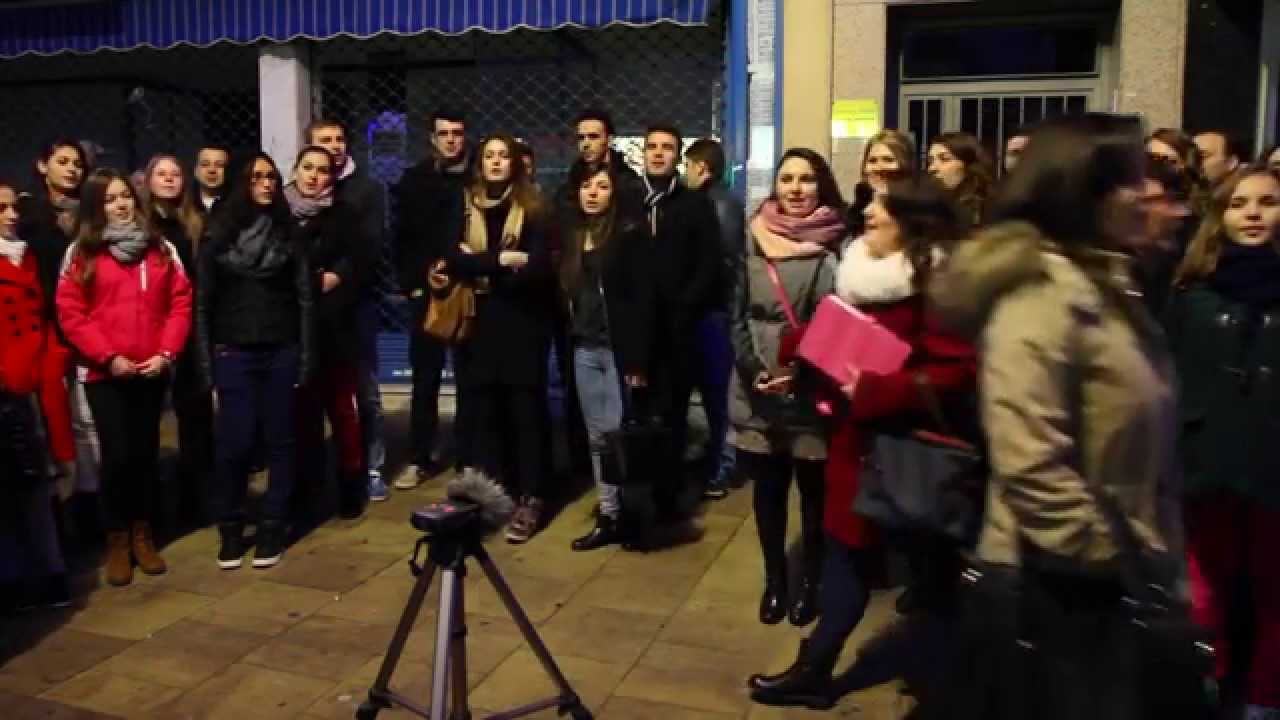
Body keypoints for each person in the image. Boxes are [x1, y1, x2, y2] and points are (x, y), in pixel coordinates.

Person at [927, 114, 1183, 720]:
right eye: (1134, 179)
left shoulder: (1108, 284)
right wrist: (1118, 562)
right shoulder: (1042, 296)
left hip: (1103, 575)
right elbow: (1032, 462)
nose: (1151, 194)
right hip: (1057, 585)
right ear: (1083, 191)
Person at [749, 176, 976, 709]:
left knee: (929, 571)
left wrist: (877, 390)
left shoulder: (940, 287)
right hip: (855, 448)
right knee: (845, 558)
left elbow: (958, 371)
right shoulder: (864, 270)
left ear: (912, 224)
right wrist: (800, 360)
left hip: (906, 455)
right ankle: (817, 668)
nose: (868, 212)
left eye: (881, 205)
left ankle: (953, 681)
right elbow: (844, 330)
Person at [1166, 166, 1280, 719]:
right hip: (1207, 465)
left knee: (1273, 591)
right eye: (1238, 203)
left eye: (1267, 202)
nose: (1253, 213)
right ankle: (1208, 686)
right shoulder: (1193, 295)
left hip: (1272, 467)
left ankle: (1263, 696)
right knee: (1207, 586)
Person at [56, 168, 193, 587]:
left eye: (125, 197)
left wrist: (166, 354)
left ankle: (143, 534)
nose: (121, 204)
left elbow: (180, 303)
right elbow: (71, 313)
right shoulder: (81, 253)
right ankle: (117, 539)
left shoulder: (161, 249)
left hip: (150, 370)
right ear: (97, 207)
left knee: (145, 455)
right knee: (115, 459)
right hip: (106, 375)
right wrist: (107, 356)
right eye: (111, 199)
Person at [731, 148, 846, 628]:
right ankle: (775, 582)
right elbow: (736, 314)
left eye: (806, 179)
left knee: (814, 495)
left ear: (821, 186)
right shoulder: (752, 239)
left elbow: (837, 320)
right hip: (757, 386)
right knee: (769, 491)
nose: (795, 189)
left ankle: (810, 584)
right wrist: (756, 367)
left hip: (810, 384)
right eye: (786, 179)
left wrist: (800, 369)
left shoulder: (835, 246)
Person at [197, 153, 315, 570]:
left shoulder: (289, 233)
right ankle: (230, 525)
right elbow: (203, 304)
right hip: (234, 350)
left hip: (281, 348)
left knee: (281, 441)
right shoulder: (219, 235)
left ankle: (272, 525)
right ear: (243, 184)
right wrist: (207, 365)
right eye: (257, 177)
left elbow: (304, 299)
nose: (266, 184)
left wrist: (304, 357)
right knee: (236, 443)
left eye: (271, 177)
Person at [442, 134, 553, 544]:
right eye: (489, 156)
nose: (496, 162)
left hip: (523, 325)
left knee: (526, 413)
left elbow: (540, 265)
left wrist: (476, 264)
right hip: (477, 324)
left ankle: (532, 497)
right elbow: (450, 259)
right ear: (479, 163)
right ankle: (489, 496)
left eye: (503, 156)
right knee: (483, 411)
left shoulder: (535, 207)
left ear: (515, 164)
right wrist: (502, 260)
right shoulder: (462, 203)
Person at [560, 164, 655, 551]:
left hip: (618, 351)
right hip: (584, 347)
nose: (593, 193)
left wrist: (637, 361)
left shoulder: (629, 236)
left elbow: (642, 301)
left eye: (601, 186)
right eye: (586, 186)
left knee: (621, 436)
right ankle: (609, 513)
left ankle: (633, 514)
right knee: (597, 437)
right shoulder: (572, 237)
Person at [17, 140, 99, 545]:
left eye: (77, 164)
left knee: (85, 421)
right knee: (50, 422)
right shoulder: (28, 215)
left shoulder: (89, 214)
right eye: (62, 162)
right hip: (41, 331)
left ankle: (88, 502)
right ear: (42, 164)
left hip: (83, 327)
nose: (71, 169)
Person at [0, 178, 75, 611]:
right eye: (3, 209)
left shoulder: (29, 257)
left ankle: (50, 572)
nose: (12, 217)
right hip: (8, 386)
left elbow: (44, 318)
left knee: (37, 483)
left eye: (14, 207)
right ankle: (12, 579)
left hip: (36, 381)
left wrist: (50, 362)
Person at [285, 146, 369, 522]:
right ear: (296, 171)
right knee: (301, 416)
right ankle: (307, 489)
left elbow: (360, 264)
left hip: (335, 328)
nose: (314, 176)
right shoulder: (279, 214)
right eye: (307, 168)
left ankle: (352, 486)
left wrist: (339, 277)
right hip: (292, 329)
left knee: (343, 413)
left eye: (322, 170)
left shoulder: (345, 214)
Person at [642, 123, 722, 520]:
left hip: (678, 330)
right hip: (636, 333)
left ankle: (669, 499)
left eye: (667, 148)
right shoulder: (630, 201)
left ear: (678, 155)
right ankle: (638, 495)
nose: (658, 154)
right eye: (652, 147)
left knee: (674, 416)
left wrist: (682, 308)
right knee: (637, 416)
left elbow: (709, 264)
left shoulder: (694, 204)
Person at [307, 118, 388, 503]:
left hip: (357, 306)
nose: (335, 145)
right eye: (325, 140)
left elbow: (370, 248)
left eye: (340, 138)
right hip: (312, 311)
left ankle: (370, 468)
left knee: (364, 393)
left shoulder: (366, 191)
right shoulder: (298, 193)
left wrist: (339, 277)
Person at [395, 108, 470, 486]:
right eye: (444, 133)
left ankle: (467, 457)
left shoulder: (477, 179)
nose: (451, 139)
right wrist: (414, 282)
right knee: (425, 379)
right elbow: (401, 237)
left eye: (457, 132)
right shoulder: (413, 181)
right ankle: (420, 456)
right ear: (432, 138)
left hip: (470, 291)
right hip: (427, 291)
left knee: (470, 378)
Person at [141, 154, 213, 528]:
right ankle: (150, 510)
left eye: (176, 173)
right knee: (149, 419)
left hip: (189, 328)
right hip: (150, 329)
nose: (170, 180)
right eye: (162, 174)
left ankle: (193, 502)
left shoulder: (193, 224)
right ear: (148, 180)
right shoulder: (140, 224)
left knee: (195, 416)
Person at [683, 138, 743, 500]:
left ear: (701, 167)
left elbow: (722, 265)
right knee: (714, 395)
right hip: (713, 312)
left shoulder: (715, 205)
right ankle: (718, 461)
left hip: (713, 314)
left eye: (688, 166)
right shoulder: (723, 202)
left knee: (718, 395)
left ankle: (722, 466)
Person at [1132, 159, 1192, 316]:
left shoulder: (1190, 272)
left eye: (1173, 201)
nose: (1178, 212)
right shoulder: (1110, 273)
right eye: (1147, 202)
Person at [848, 129, 917, 237]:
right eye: (872, 161)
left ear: (906, 165)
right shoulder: (856, 214)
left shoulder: (922, 214)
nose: (879, 168)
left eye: (888, 160)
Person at [926, 132, 993, 226]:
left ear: (968, 165)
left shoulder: (989, 211)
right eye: (930, 161)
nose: (932, 168)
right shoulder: (928, 208)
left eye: (945, 159)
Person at [193, 144, 231, 216]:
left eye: (219, 165)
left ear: (228, 171)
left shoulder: (238, 207)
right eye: (205, 164)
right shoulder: (183, 206)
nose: (212, 170)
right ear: (196, 171)